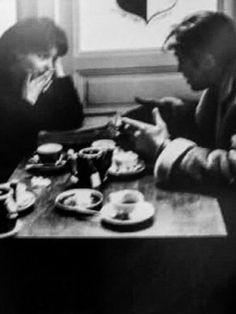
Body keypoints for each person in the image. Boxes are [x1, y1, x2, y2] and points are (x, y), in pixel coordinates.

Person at [120, 11, 236, 186]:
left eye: (182, 60)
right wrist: (177, 111)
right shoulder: (222, 81)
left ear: (207, 61)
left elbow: (231, 169)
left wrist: (162, 148)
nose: (179, 69)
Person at [0, 17, 84, 180]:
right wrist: (27, 103)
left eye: (53, 59)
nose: (49, 66)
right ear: (17, 52)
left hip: (27, 172)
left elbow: (72, 120)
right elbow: (12, 149)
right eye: (42, 56)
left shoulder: (31, 79)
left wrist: (58, 70)